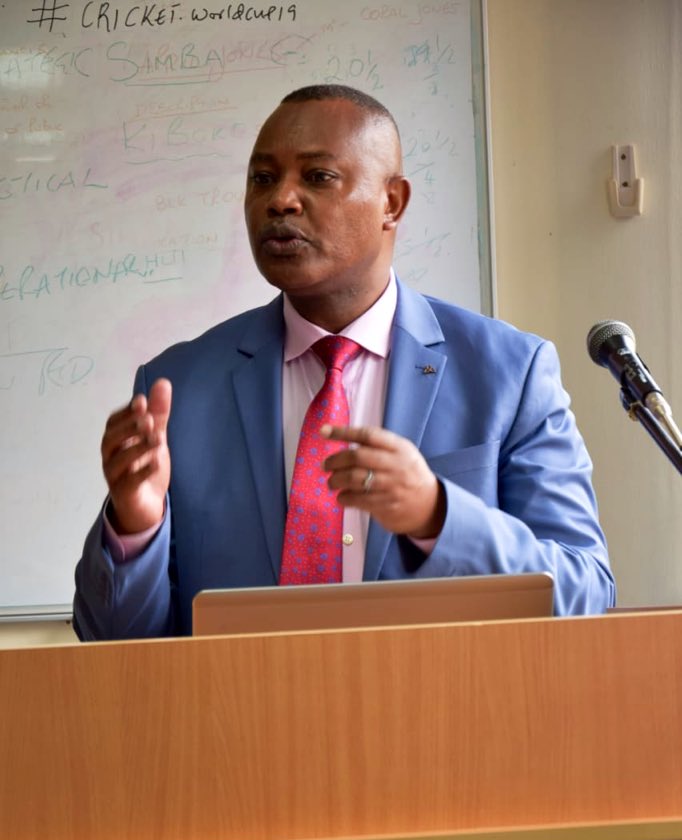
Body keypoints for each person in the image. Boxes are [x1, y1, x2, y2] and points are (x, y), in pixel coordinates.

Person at [73, 84, 615, 640]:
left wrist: (439, 516)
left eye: (317, 176)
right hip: (239, 697)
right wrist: (135, 528)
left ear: (392, 203)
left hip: (444, 696)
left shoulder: (509, 372)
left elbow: (586, 591)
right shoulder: (181, 387)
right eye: (262, 178)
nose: (280, 200)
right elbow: (108, 642)